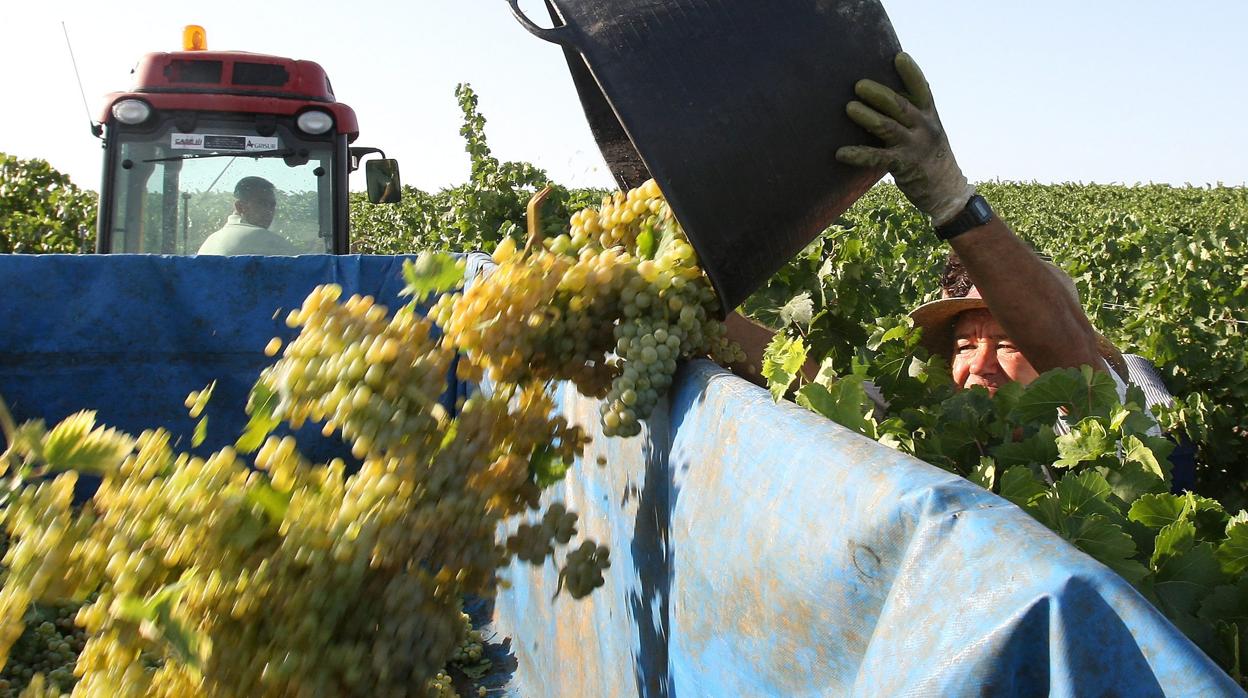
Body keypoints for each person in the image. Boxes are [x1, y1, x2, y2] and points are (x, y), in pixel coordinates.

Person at [729, 52, 1121, 393]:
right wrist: (705, 317)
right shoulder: (938, 422)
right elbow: (820, 389)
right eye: (965, 346)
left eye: (1008, 343)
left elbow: (1071, 358)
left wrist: (952, 199)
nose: (981, 364)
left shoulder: (1099, 423)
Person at [197, 177, 298, 256]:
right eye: (262, 203)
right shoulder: (264, 239)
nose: (269, 211)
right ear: (240, 207)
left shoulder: (211, 240)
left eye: (272, 205)